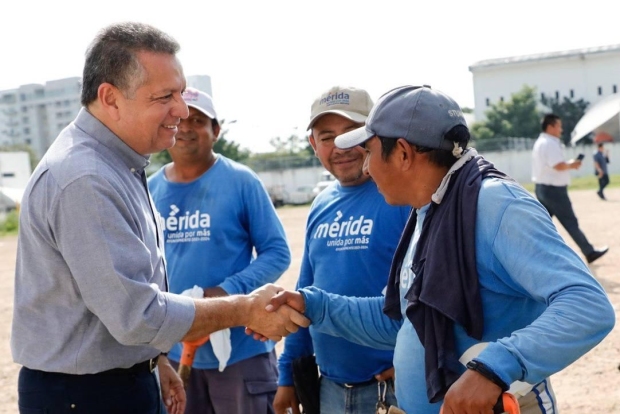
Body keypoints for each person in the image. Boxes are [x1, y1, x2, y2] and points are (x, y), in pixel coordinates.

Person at [11, 22, 308, 414]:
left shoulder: (119, 166)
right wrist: (244, 309)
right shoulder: (86, 179)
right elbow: (139, 316)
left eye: (181, 94)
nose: (181, 111)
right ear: (111, 98)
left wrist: (156, 360)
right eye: (165, 96)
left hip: (117, 380)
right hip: (86, 396)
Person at [262, 86, 615, 414]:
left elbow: (588, 305)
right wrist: (313, 306)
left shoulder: (496, 206)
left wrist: (493, 369)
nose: (366, 165)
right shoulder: (431, 210)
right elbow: (403, 319)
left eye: (369, 151)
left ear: (401, 153)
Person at [148, 87, 291, 413]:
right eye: (178, 118)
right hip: (174, 351)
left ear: (216, 131)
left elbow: (277, 252)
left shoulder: (241, 181)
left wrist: (226, 292)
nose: (185, 127)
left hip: (242, 351)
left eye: (197, 120)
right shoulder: (149, 189)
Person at [274, 86, 410, 414]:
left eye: (352, 132)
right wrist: (287, 375)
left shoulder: (403, 198)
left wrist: (416, 366)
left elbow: (432, 302)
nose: (341, 146)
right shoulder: (321, 204)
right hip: (330, 390)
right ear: (313, 144)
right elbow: (305, 294)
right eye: (327, 136)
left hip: (392, 388)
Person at [532, 113, 609, 264]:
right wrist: (572, 165)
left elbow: (554, 165)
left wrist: (569, 164)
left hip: (543, 189)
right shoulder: (549, 143)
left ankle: (531, 255)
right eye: (559, 126)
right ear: (550, 126)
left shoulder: (541, 142)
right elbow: (558, 165)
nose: (561, 129)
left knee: (542, 225)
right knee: (570, 222)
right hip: (554, 191)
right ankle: (589, 252)